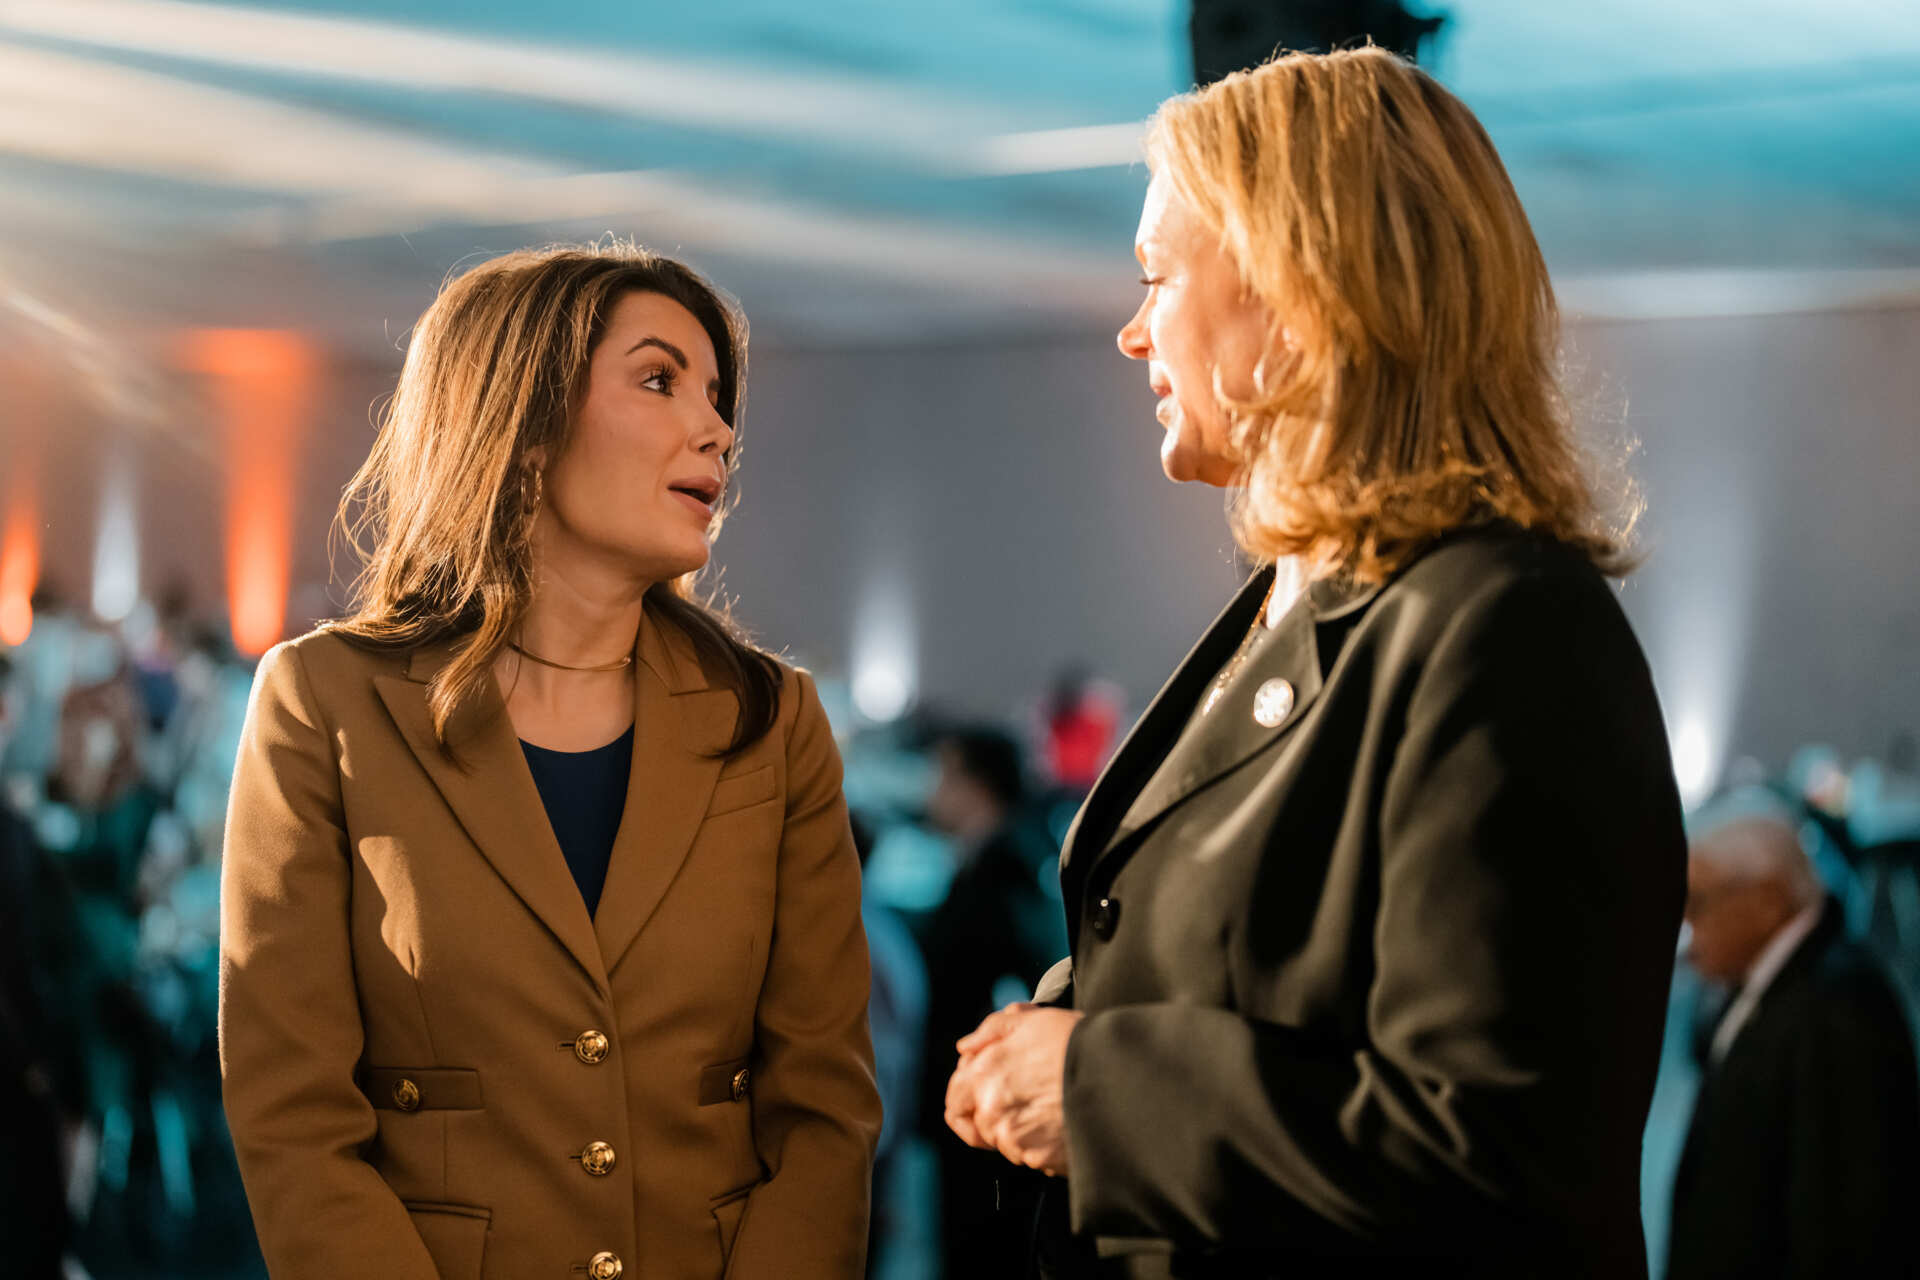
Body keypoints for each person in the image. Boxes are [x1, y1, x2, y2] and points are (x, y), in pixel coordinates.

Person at [944, 47, 1686, 1279]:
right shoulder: (1306, 597)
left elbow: (1502, 1153)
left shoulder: (1505, 628)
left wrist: (1100, 1086)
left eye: (1157, 276)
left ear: (1296, 293)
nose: (1131, 331)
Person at [219, 243, 880, 1280]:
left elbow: (824, 1111)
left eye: (716, 397)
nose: (717, 429)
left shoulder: (774, 722)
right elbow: (292, 1115)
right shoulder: (326, 703)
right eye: (659, 381)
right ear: (523, 426)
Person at [1668, 797, 1920, 1279]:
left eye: (1697, 903)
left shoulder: (1839, 1007)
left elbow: (1845, 1224)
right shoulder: (1767, 983)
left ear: (1766, 900)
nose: (1689, 930)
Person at [918, 726, 1067, 1277]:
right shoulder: (998, 862)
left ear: (976, 785)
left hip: (988, 1114)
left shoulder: (1003, 873)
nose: (933, 791)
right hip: (978, 1106)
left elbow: (1020, 983)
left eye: (944, 776)